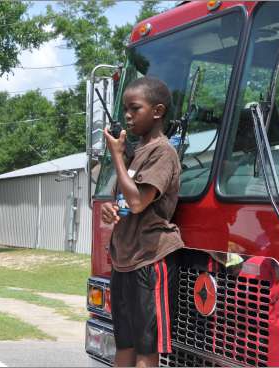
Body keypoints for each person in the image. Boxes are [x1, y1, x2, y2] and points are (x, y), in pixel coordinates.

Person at [102, 76, 184, 367]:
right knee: (124, 343)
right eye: (125, 108)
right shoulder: (136, 154)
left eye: (134, 108)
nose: (127, 115)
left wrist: (116, 157)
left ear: (158, 111)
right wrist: (109, 211)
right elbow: (123, 203)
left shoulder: (163, 152)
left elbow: (138, 202)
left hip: (149, 259)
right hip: (124, 260)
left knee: (146, 349)